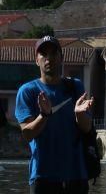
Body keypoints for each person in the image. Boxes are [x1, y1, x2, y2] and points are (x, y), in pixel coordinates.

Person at [15, 36, 94, 194]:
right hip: (43, 177)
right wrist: (43, 115)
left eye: (53, 53)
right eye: (43, 54)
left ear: (61, 58)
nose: (48, 58)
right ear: (37, 60)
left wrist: (79, 114)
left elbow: (86, 128)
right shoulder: (27, 91)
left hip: (76, 176)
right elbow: (28, 133)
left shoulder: (75, 86)